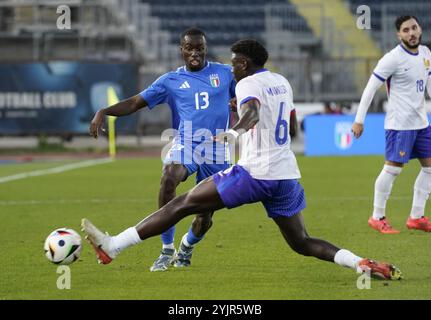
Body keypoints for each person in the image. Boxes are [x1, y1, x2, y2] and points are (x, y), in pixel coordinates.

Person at [83, 39, 402, 281]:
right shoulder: (282, 81)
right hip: (285, 174)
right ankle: (361, 262)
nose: (231, 68)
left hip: (253, 173)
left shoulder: (247, 83)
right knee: (301, 241)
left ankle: (113, 247)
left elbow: (251, 113)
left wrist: (235, 132)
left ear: (247, 65)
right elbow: (290, 126)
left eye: (236, 64)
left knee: (180, 205)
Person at [89, 27, 236, 271]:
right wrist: (103, 111)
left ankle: (186, 247)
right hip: (187, 143)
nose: (195, 53)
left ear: (205, 48)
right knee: (169, 177)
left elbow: (246, 96)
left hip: (218, 149)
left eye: (199, 48)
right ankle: (167, 249)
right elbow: (135, 102)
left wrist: (239, 102)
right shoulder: (170, 81)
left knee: (205, 216)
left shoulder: (224, 74)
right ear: (181, 49)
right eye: (189, 48)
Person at [352, 15, 431, 234]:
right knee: (393, 170)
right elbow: (370, 89)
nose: (411, 33)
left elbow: (429, 86)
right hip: (400, 125)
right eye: (406, 30)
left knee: (430, 168)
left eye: (414, 27)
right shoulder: (392, 58)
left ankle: (417, 216)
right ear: (399, 34)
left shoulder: (426, 53)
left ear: (420, 28)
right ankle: (377, 216)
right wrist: (359, 120)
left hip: (421, 123)